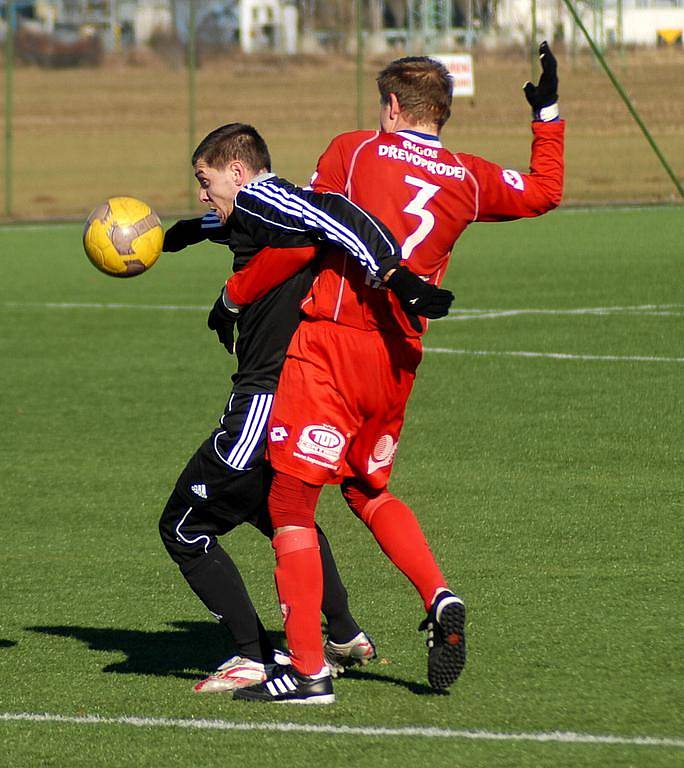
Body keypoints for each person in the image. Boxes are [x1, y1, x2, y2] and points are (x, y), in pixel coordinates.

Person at [229, 43, 564, 704]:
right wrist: (546, 114)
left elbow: (305, 236)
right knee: (364, 486)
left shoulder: (353, 150)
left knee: (290, 501)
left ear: (390, 106)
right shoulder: (467, 177)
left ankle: (307, 671)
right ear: (441, 113)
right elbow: (546, 191)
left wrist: (238, 292)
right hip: (398, 356)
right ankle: (439, 596)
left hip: (333, 342)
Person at [158, 123, 453, 692]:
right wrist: (191, 232)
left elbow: (329, 216)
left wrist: (395, 275)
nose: (202, 192)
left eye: (205, 180)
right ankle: (342, 631)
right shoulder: (253, 213)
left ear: (238, 173)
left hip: (267, 399)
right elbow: (261, 230)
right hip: (293, 391)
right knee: (280, 511)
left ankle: (252, 654)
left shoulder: (263, 196)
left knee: (183, 526)